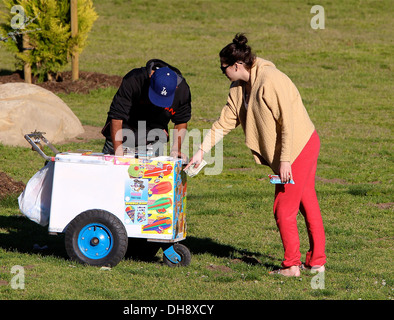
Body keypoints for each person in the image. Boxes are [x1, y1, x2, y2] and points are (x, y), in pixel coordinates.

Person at [186, 33, 326, 276]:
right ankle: (316, 262)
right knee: (306, 202)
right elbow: (223, 124)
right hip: (294, 148)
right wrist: (200, 152)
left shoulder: (271, 79)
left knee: (283, 208)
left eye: (224, 68)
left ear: (237, 65)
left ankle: (291, 266)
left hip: (299, 147)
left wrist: (285, 161)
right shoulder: (238, 89)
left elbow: (289, 122)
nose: (223, 73)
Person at [101, 59, 191, 159]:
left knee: (153, 174)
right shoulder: (133, 80)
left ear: (176, 88)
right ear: (150, 77)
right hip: (122, 137)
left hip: (153, 141)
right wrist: (118, 151)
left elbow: (181, 121)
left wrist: (175, 149)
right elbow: (117, 116)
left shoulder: (183, 91)